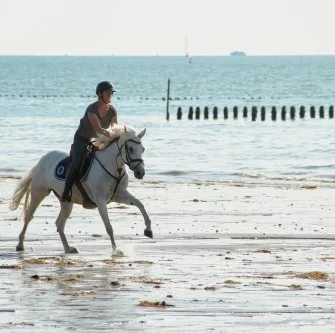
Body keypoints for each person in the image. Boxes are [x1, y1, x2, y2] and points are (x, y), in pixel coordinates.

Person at [61, 81, 118, 202]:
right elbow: (98, 128)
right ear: (100, 94)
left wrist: (119, 135)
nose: (110, 96)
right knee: (76, 162)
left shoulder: (112, 110)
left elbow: (115, 128)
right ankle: (66, 192)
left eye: (111, 94)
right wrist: (110, 134)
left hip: (96, 140)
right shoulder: (91, 108)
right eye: (108, 93)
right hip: (82, 139)